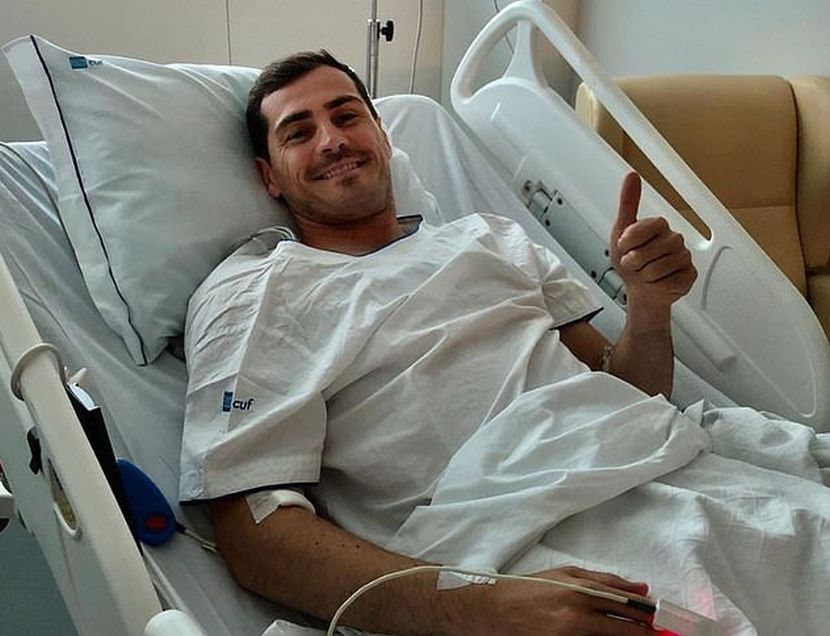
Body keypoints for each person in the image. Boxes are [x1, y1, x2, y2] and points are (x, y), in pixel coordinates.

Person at [179, 51, 830, 636]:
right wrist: (478, 605)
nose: (332, 140)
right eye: (299, 132)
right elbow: (255, 533)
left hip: (672, 467)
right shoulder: (258, 295)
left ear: (382, 135)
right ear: (269, 176)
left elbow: (631, 393)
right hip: (526, 546)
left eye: (347, 116)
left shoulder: (490, 239)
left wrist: (650, 308)